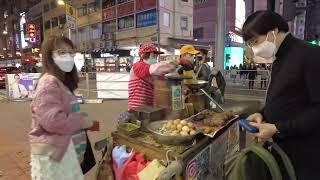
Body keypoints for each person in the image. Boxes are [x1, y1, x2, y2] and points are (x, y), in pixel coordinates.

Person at [243, 10, 320, 180]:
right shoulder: (280, 57)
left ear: (273, 31)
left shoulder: (310, 54)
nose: (255, 50)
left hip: (305, 157)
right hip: (282, 149)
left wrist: (278, 128)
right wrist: (262, 114)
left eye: (255, 42)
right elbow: (285, 96)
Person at [29, 36, 96, 180]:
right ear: (49, 56)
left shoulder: (60, 82)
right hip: (55, 158)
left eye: (71, 53)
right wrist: (81, 121)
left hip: (65, 154)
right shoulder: (48, 82)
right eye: (62, 52)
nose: (68, 57)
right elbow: (53, 121)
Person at [128, 44, 176, 109]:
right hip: (137, 107)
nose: (155, 58)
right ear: (145, 55)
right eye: (153, 56)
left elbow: (164, 79)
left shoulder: (151, 70)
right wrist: (171, 64)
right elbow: (155, 69)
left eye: (156, 56)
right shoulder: (138, 66)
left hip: (149, 107)